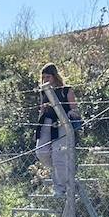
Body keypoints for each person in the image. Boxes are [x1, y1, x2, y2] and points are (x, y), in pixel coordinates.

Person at [36, 65, 82, 197]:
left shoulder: (66, 90)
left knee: (59, 157)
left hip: (62, 124)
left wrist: (68, 114)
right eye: (43, 77)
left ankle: (61, 187)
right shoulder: (43, 91)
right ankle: (63, 172)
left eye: (48, 77)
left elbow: (74, 110)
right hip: (46, 123)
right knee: (42, 152)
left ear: (55, 77)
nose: (45, 80)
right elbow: (41, 110)